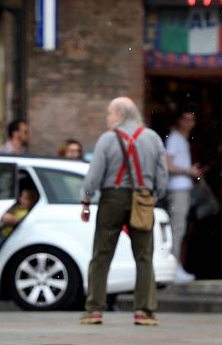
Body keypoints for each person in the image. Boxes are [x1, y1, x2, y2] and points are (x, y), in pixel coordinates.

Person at [79, 97, 168, 327]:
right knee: (144, 256)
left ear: (119, 114)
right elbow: (162, 177)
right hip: (143, 198)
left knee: (101, 254)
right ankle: (143, 311)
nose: (108, 118)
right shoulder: (152, 138)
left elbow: (94, 176)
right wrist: (154, 196)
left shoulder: (108, 139)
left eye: (110, 113)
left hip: (112, 199)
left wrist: (86, 199)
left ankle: (94, 310)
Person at [165, 108, 203, 283]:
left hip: (183, 188)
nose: (189, 123)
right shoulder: (174, 139)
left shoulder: (181, 139)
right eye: (185, 119)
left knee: (180, 228)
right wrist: (189, 171)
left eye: (192, 120)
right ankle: (173, 268)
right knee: (177, 228)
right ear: (178, 120)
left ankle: (176, 267)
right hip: (177, 189)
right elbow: (168, 165)